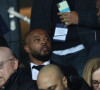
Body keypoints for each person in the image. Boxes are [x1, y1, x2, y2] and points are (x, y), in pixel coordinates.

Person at [30, 0, 100, 76]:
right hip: (53, 53)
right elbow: (35, 29)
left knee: (84, 85)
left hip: (82, 50)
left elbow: (97, 18)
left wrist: (79, 18)